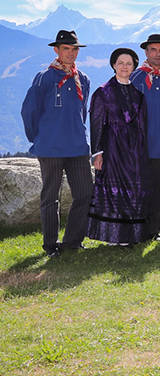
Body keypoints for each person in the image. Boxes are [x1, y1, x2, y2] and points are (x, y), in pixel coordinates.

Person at [21, 29, 93, 258]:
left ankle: (73, 240)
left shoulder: (83, 79)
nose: (71, 53)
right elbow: (29, 112)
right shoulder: (45, 77)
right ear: (56, 50)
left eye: (74, 49)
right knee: (51, 196)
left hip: (78, 147)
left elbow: (81, 113)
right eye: (66, 49)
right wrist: (38, 138)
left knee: (84, 193)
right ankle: (50, 244)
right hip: (50, 147)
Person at [87, 48, 151, 246]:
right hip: (112, 146)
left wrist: (141, 152)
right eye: (121, 63)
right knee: (113, 188)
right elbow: (96, 123)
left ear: (134, 67)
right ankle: (112, 235)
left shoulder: (138, 95)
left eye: (129, 63)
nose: (125, 67)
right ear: (113, 65)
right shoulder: (102, 92)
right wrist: (97, 152)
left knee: (132, 188)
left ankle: (129, 234)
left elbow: (143, 125)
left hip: (134, 149)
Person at [130, 33, 160, 243]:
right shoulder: (134, 78)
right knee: (137, 188)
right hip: (138, 146)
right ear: (146, 52)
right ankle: (134, 230)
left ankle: (153, 230)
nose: (157, 54)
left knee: (159, 189)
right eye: (153, 50)